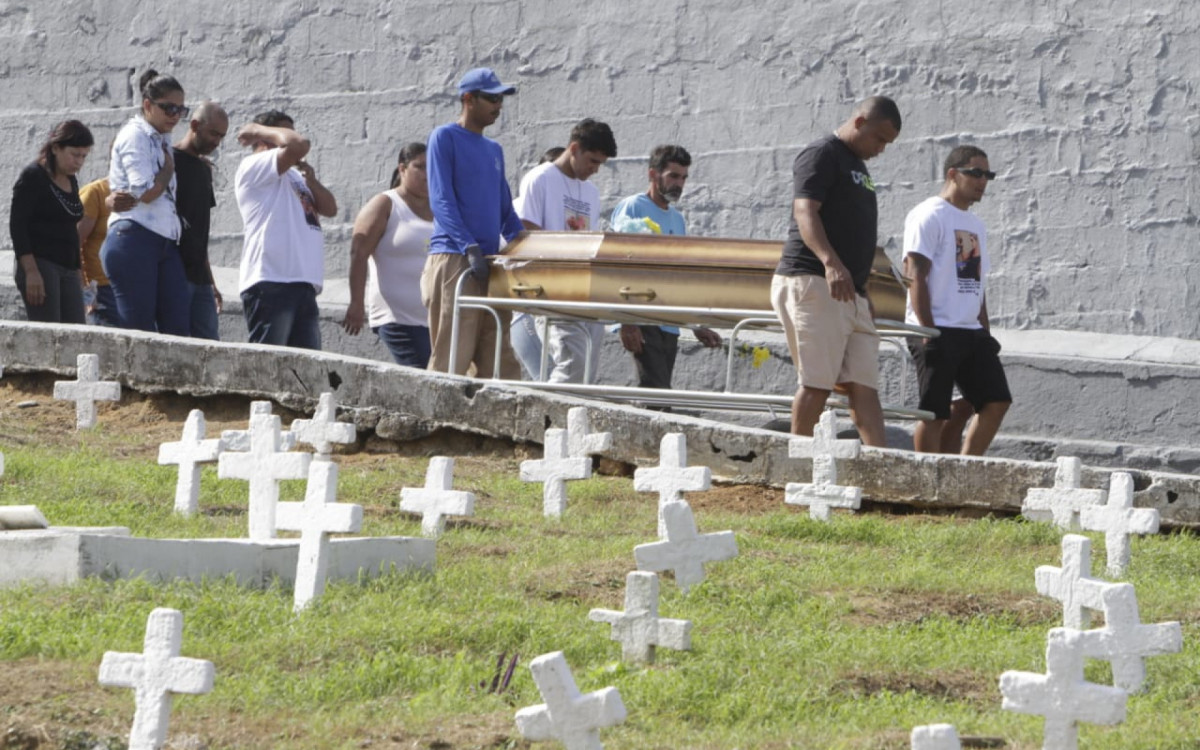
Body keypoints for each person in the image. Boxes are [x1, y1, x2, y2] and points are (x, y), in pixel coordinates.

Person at [770, 96, 902, 446]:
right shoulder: (822, 153)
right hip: (814, 280)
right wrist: (831, 264)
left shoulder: (857, 163)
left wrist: (863, 290)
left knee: (865, 385)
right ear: (859, 122)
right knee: (816, 383)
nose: (882, 149)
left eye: (888, 144)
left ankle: (881, 468)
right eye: (879, 139)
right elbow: (805, 212)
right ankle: (796, 468)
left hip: (850, 292)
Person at [904, 145, 1011, 455]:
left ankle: (966, 471)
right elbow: (915, 274)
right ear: (952, 174)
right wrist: (928, 331)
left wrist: (985, 332)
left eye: (988, 175)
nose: (983, 181)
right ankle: (925, 480)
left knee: (995, 400)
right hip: (935, 329)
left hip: (969, 331)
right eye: (975, 173)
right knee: (933, 411)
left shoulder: (975, 225)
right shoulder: (928, 214)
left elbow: (974, 281)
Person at [421, 67, 524, 378]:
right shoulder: (444, 137)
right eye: (492, 98)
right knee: (452, 356)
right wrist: (469, 246)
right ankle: (437, 422)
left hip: (489, 263)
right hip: (455, 257)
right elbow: (441, 200)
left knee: (497, 360)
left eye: (501, 99)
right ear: (468, 98)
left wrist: (530, 246)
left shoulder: (494, 149)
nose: (498, 106)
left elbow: (505, 210)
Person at [610, 145, 721, 389]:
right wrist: (626, 320)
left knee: (660, 394)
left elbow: (678, 277)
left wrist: (695, 324)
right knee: (656, 394)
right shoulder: (633, 207)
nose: (679, 184)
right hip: (641, 316)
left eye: (683, 178)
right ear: (653, 175)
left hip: (669, 322)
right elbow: (619, 263)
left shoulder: (677, 219)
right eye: (673, 176)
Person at [516, 119, 617, 383]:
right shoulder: (540, 179)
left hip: (583, 290)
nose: (595, 169)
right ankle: (548, 421)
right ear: (574, 148)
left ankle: (571, 421)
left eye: (600, 164)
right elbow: (527, 235)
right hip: (550, 288)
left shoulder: (591, 192)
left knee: (587, 374)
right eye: (592, 161)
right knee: (571, 363)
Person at [233, 110, 337, 350]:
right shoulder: (254, 165)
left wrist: (311, 181)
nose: (293, 137)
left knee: (306, 372)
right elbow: (299, 145)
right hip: (270, 279)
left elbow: (330, 208)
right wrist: (257, 129)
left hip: (302, 282)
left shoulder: (294, 176)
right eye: (285, 132)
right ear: (265, 138)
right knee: (268, 367)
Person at [101, 69, 191, 335]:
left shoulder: (160, 135)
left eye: (180, 110)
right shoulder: (135, 135)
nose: (175, 116)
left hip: (163, 240)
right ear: (148, 105)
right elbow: (146, 192)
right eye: (169, 109)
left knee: (177, 330)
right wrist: (166, 173)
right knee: (139, 332)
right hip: (134, 237)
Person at [342, 142, 434, 367]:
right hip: (397, 318)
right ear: (402, 169)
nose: (427, 175)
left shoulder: (440, 208)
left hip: (434, 321)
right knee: (422, 379)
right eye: (419, 167)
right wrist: (356, 303)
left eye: (432, 168)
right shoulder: (386, 204)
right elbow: (359, 252)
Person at [9, 120, 94, 324]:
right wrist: (31, 271)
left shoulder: (71, 179)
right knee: (49, 334)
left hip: (68, 268)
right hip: (41, 264)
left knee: (76, 332)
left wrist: (78, 270)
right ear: (56, 148)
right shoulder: (33, 177)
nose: (79, 162)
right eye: (74, 154)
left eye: (84, 156)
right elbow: (18, 225)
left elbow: (70, 228)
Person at [174, 101, 229, 340]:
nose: (217, 141)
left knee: (210, 348)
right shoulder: (170, 161)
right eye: (214, 133)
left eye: (221, 136)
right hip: (173, 272)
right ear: (195, 125)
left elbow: (199, 230)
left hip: (200, 278)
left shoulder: (204, 169)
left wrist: (211, 281)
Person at [510, 145, 564, 380]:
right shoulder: (522, 207)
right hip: (526, 308)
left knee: (561, 378)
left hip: (554, 308)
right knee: (550, 378)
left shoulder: (565, 208)